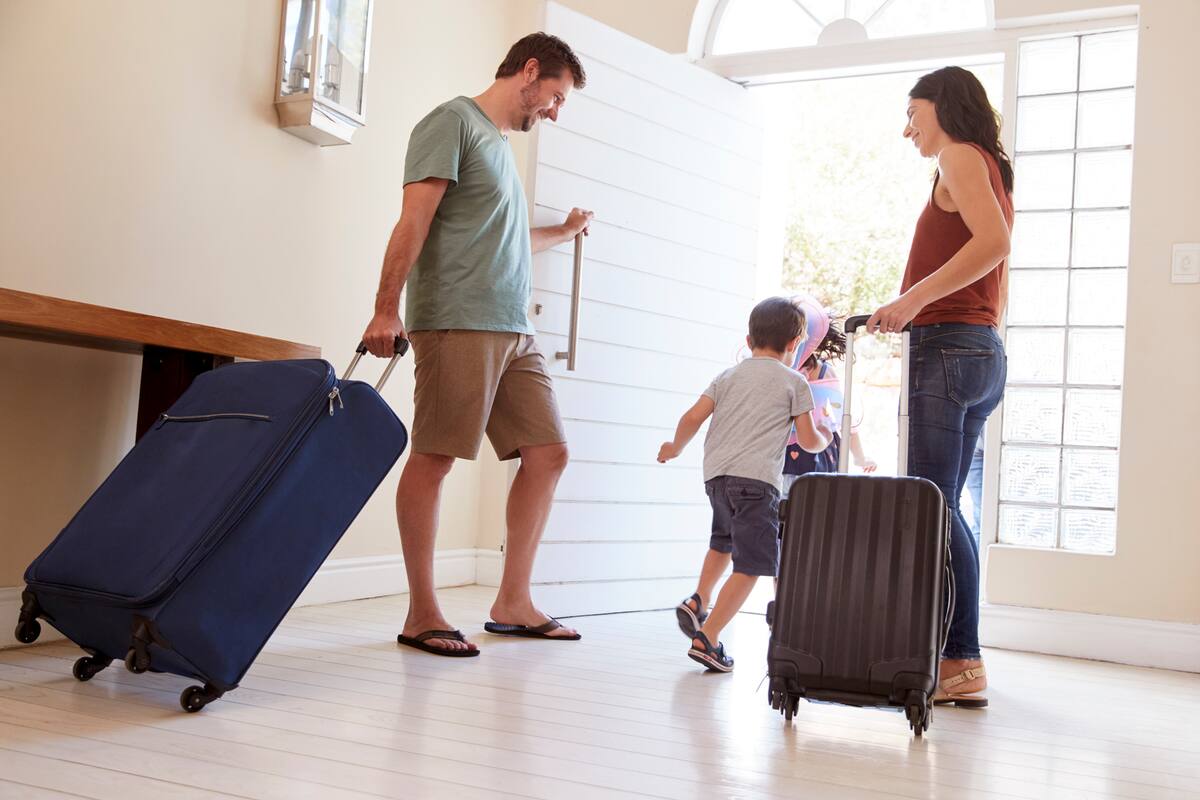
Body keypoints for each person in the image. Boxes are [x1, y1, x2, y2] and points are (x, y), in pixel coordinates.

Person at [361, 33, 594, 657]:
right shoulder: (451, 123)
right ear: (530, 71)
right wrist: (386, 309)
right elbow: (414, 220)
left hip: (515, 329)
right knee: (436, 457)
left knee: (548, 453)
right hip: (459, 320)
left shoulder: (500, 150)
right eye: (557, 96)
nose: (554, 110)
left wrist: (564, 232)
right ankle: (421, 612)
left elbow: (507, 240)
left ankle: (513, 601)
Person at [866, 66, 1014, 707]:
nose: (908, 130)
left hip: (949, 347)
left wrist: (909, 303)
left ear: (943, 108)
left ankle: (962, 660)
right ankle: (956, 659)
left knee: (932, 504)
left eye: (913, 113)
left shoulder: (958, 155)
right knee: (945, 504)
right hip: (976, 351)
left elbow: (993, 243)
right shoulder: (984, 163)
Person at [658, 298, 831, 672]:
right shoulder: (794, 381)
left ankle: (698, 599)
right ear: (795, 342)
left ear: (749, 338)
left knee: (722, 542)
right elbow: (806, 438)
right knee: (751, 564)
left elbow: (693, 416)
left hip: (717, 478)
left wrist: (675, 446)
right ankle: (710, 636)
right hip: (756, 482)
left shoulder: (727, 376)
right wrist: (825, 439)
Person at [781, 295, 876, 494]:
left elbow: (842, 417)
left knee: (804, 510)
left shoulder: (821, 373)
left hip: (816, 452)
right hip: (788, 454)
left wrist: (860, 457)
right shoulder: (780, 371)